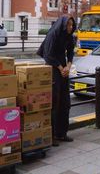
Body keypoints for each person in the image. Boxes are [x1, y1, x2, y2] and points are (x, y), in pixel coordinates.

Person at [37, 16, 76, 146]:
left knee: (65, 101)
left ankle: (62, 133)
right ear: (63, 25)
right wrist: (60, 68)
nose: (70, 27)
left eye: (72, 25)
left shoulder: (69, 36)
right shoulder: (53, 34)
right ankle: (51, 135)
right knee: (54, 101)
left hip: (63, 68)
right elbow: (48, 55)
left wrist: (68, 66)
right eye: (68, 25)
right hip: (53, 68)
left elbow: (70, 51)